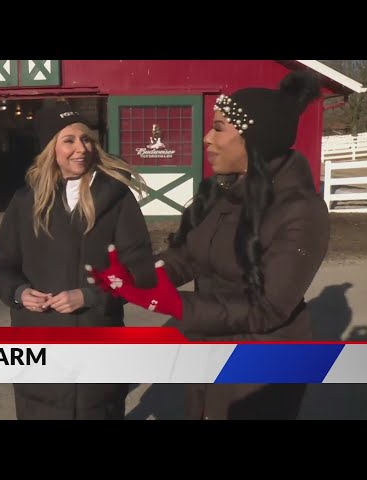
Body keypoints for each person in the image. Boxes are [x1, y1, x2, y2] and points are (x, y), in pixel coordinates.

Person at [86, 70, 330, 420]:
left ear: (254, 139)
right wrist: (131, 278)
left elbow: (267, 308)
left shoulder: (301, 211)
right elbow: (186, 258)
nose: (206, 138)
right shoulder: (221, 193)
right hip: (209, 347)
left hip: (262, 367)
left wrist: (177, 305)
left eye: (218, 128)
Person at [0, 100, 157, 420]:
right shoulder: (25, 201)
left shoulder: (117, 197)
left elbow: (141, 271)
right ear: (51, 148)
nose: (82, 148)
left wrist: (89, 295)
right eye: (69, 140)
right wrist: (19, 292)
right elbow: (1, 263)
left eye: (87, 139)